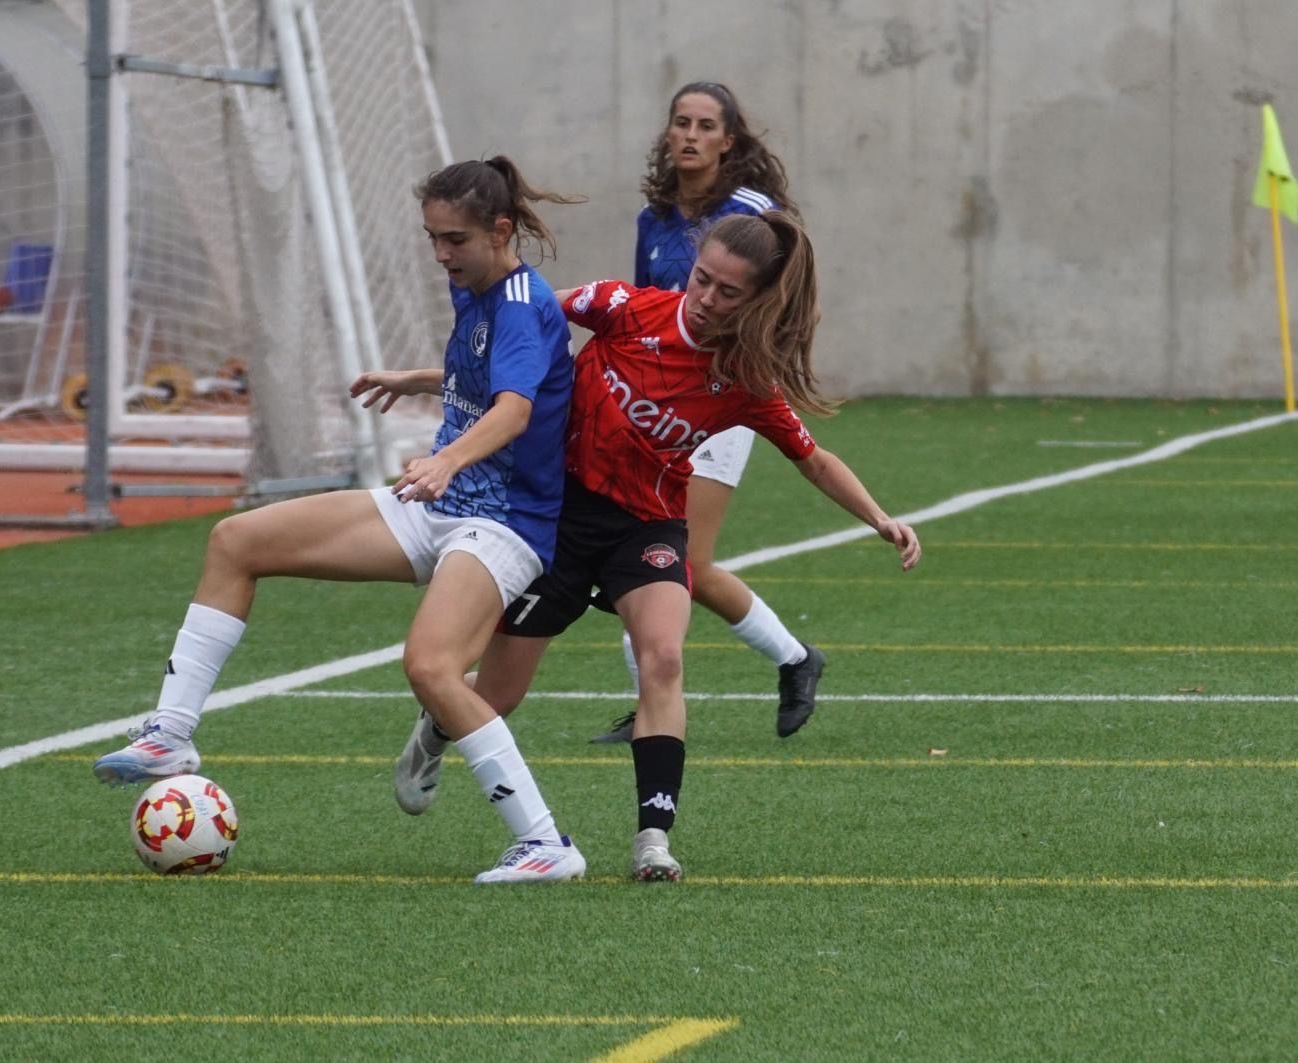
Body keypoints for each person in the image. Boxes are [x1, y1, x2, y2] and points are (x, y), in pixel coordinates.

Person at [92, 157, 589, 884]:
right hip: (436, 506)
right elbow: (500, 380)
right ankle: (170, 735)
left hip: (503, 525)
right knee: (237, 541)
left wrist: (447, 460)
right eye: (432, 238)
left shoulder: (519, 301)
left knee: (429, 665)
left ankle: (546, 843)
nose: (440, 254)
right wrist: (419, 379)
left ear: (500, 231)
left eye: (454, 239)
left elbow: (515, 411)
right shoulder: (477, 289)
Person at [392, 211, 923, 882]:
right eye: (702, 280)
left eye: (729, 293)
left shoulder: (746, 381)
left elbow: (813, 459)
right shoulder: (623, 305)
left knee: (664, 656)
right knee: (496, 694)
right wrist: (424, 378)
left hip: (644, 527)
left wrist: (879, 517)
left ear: (757, 301)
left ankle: (653, 838)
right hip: (553, 517)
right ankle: (434, 732)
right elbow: (518, 333)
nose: (706, 300)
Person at [596, 80, 822, 745]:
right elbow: (643, 310)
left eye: (705, 125)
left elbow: (781, 274)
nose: (690, 135)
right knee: (649, 553)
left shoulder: (749, 211)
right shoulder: (653, 219)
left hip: (718, 402)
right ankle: (775, 663)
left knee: (675, 561)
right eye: (680, 122)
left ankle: (789, 658)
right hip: (657, 404)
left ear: (729, 141)